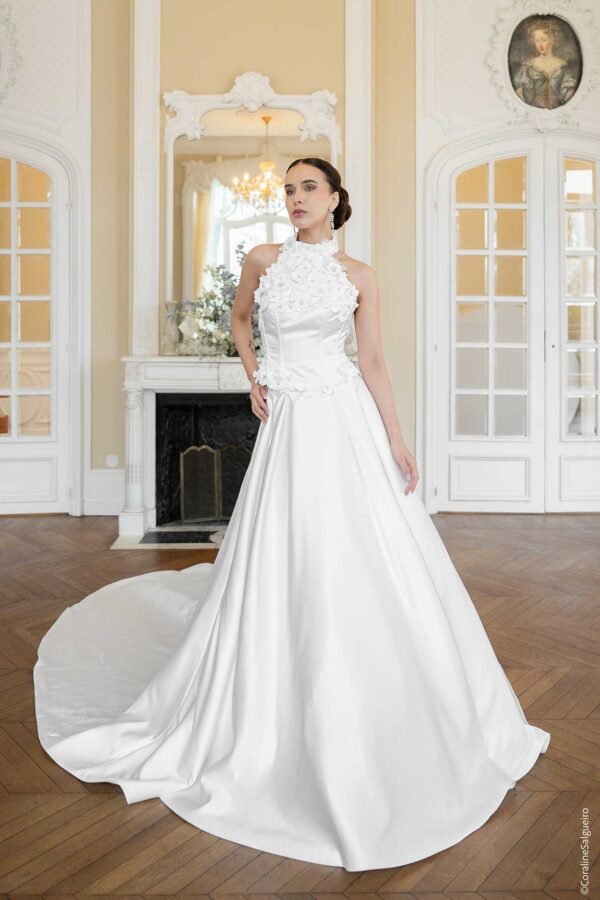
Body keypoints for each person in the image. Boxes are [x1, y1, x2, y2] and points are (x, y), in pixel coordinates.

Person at [33, 157, 550, 871]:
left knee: (361, 548)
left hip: (343, 416)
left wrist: (397, 439)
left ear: (336, 199)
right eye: (288, 189)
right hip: (290, 422)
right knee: (285, 546)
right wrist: (255, 376)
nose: (295, 198)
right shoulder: (262, 258)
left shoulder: (360, 274)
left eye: (309, 188)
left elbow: (373, 362)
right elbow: (239, 318)